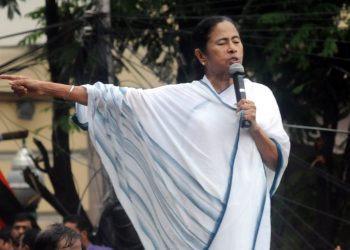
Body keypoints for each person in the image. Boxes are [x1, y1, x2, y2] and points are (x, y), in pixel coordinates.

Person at [0, 15, 290, 250]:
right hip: (192, 220)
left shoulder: (260, 96)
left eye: (236, 41)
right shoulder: (182, 98)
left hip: (244, 215)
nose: (233, 49)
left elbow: (276, 161)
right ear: (201, 55)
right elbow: (114, 98)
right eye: (223, 42)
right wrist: (43, 87)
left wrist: (256, 130)